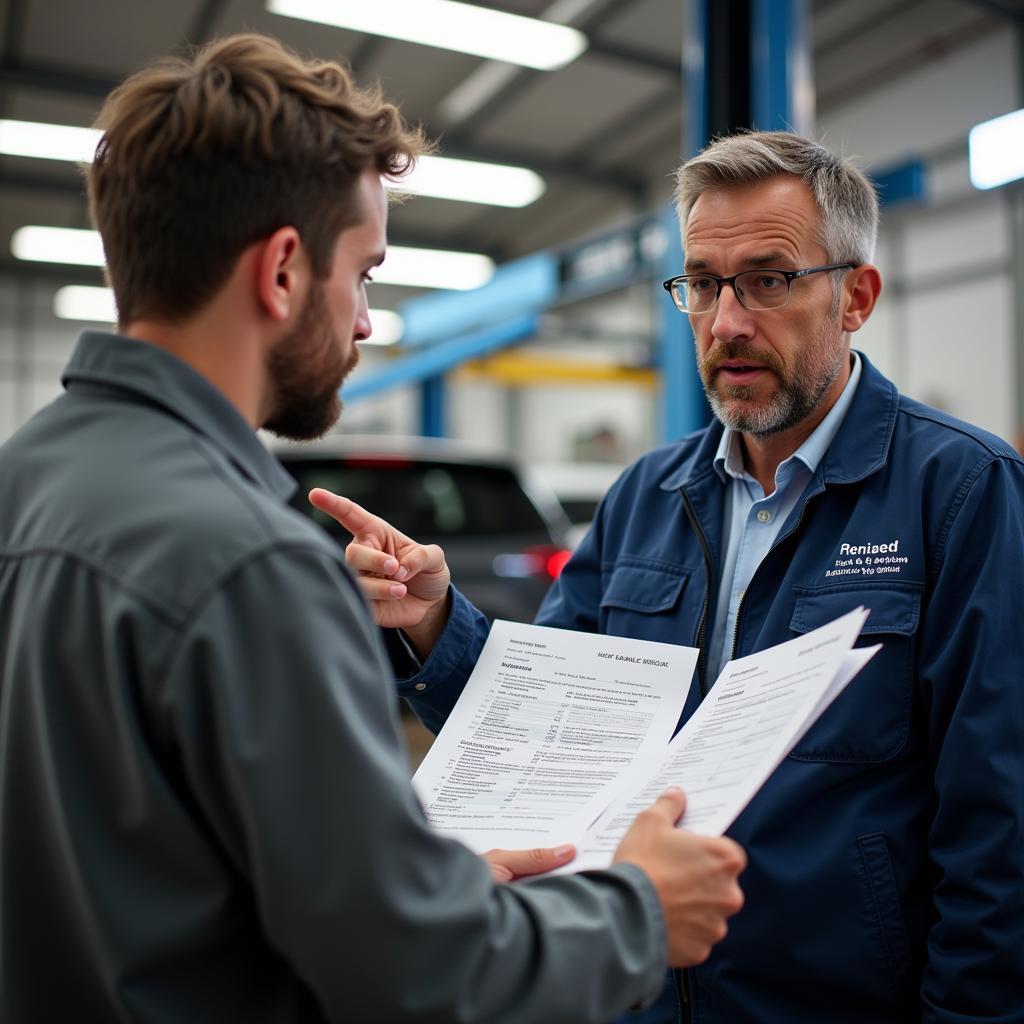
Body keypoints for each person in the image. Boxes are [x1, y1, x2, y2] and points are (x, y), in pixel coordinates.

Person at [0, 34, 748, 1024]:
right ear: (279, 271)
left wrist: (416, 893)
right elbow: (423, 983)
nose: (363, 322)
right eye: (364, 272)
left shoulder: (22, 485)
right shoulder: (250, 565)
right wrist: (637, 910)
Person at [316, 131, 1024, 1023]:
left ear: (856, 297)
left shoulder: (959, 493)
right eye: (702, 283)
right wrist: (433, 623)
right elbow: (543, 733)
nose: (727, 322)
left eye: (769, 279)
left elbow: (1000, 830)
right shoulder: (648, 495)